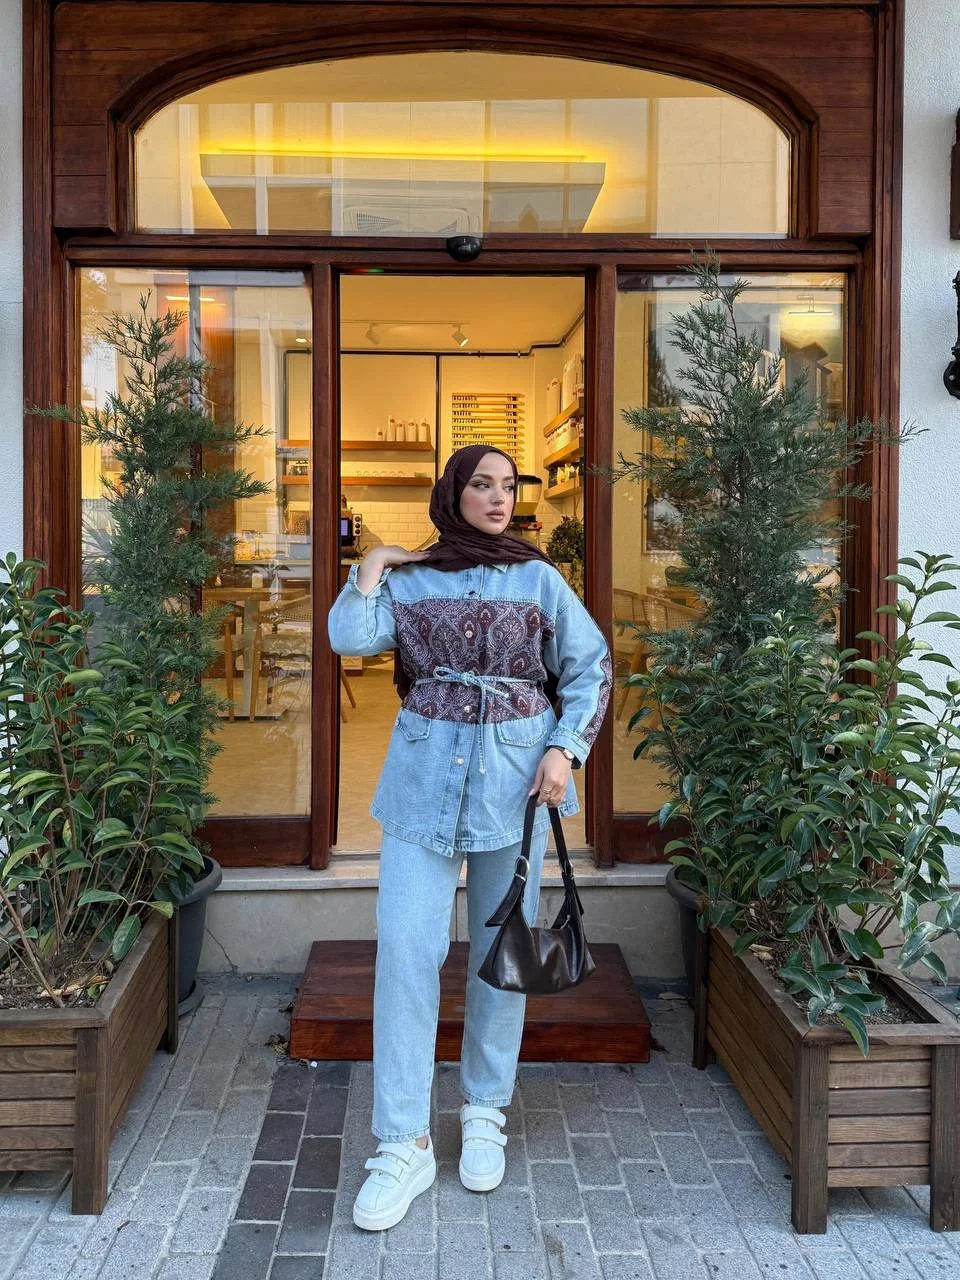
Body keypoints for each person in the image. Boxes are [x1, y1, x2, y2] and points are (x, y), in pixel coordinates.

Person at [327, 444, 612, 1232]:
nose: (496, 497)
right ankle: (404, 1141)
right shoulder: (414, 578)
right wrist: (372, 565)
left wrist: (565, 751)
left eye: (507, 485)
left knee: (502, 954)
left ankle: (485, 1111)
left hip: (515, 786)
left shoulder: (538, 578)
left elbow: (590, 667)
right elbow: (350, 638)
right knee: (406, 952)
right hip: (421, 783)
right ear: (453, 492)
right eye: (481, 484)